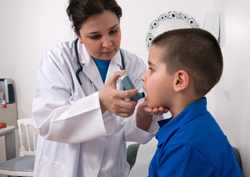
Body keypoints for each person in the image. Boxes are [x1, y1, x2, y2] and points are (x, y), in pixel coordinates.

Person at [32, 0, 167, 176]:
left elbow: (131, 133)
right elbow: (47, 124)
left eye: (114, 31)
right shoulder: (58, 60)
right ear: (78, 35)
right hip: (66, 169)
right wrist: (100, 103)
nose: (108, 43)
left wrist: (142, 114)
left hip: (110, 169)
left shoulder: (132, 65)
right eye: (95, 36)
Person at [141, 28, 243, 177]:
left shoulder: (185, 145)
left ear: (179, 80)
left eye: (151, 68)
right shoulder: (194, 126)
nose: (144, 76)